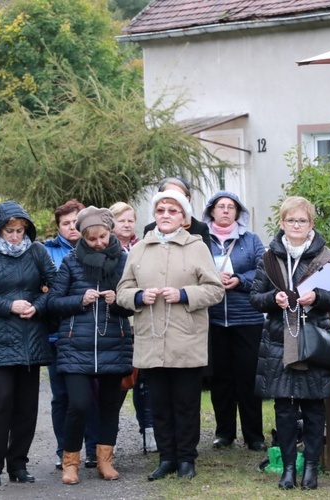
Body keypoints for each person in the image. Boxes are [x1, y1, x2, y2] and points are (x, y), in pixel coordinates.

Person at [117, 189, 224, 481]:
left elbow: (216, 289)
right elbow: (122, 292)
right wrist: (139, 296)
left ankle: (187, 459)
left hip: (186, 337)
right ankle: (167, 459)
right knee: (159, 403)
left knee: (186, 403)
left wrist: (184, 294)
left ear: (184, 218)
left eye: (172, 211)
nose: (166, 215)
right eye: (161, 210)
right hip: (151, 337)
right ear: (154, 215)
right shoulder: (139, 249)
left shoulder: (197, 247)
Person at [250, 196, 330, 491]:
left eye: (302, 221)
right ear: (282, 224)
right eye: (291, 220)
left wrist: (317, 297)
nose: (296, 225)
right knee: (285, 407)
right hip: (281, 338)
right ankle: (289, 469)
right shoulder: (269, 257)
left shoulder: (326, 257)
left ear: (311, 225)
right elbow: (255, 298)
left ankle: (311, 469)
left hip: (313, 337)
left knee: (314, 407)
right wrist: (274, 299)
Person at [0, 201, 57, 488]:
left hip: (31, 337)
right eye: (10, 230)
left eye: (20, 230)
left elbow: (55, 286)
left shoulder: (37, 251)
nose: (16, 236)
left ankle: (18, 464)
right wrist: (9, 305)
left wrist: (38, 307)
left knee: (27, 406)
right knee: (1, 400)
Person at [47, 207, 134, 484]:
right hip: (75, 347)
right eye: (92, 238)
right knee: (79, 405)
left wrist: (118, 301)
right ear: (83, 237)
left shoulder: (125, 261)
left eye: (103, 237)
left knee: (110, 406)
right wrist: (79, 300)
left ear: (110, 232)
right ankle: (70, 463)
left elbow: (134, 304)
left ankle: (104, 461)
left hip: (114, 343)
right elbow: (52, 303)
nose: (98, 243)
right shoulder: (71, 261)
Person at [202, 191, 267, 451]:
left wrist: (240, 280)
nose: (226, 211)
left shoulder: (250, 240)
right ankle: (224, 433)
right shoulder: (200, 241)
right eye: (221, 206)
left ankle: (254, 436)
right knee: (221, 379)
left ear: (238, 213)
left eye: (231, 207)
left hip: (247, 319)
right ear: (212, 211)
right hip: (214, 319)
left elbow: (263, 269)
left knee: (248, 379)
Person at [43, 199, 101, 470]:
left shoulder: (96, 250)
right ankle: (64, 449)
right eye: (64, 223)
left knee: (90, 395)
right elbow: (45, 291)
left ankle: (92, 449)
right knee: (62, 397)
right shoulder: (45, 251)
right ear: (58, 227)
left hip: (91, 335)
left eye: (74, 222)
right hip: (57, 334)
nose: (70, 228)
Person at [109, 201, 156, 453]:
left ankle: (149, 431)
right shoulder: (107, 250)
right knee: (120, 382)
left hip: (143, 321)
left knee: (145, 381)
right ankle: (108, 437)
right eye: (121, 220)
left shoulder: (144, 247)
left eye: (130, 220)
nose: (126, 225)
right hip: (119, 322)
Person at [143, 177, 210, 248]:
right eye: (168, 194)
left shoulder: (200, 229)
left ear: (187, 199)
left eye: (179, 195)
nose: (173, 198)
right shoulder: (150, 230)